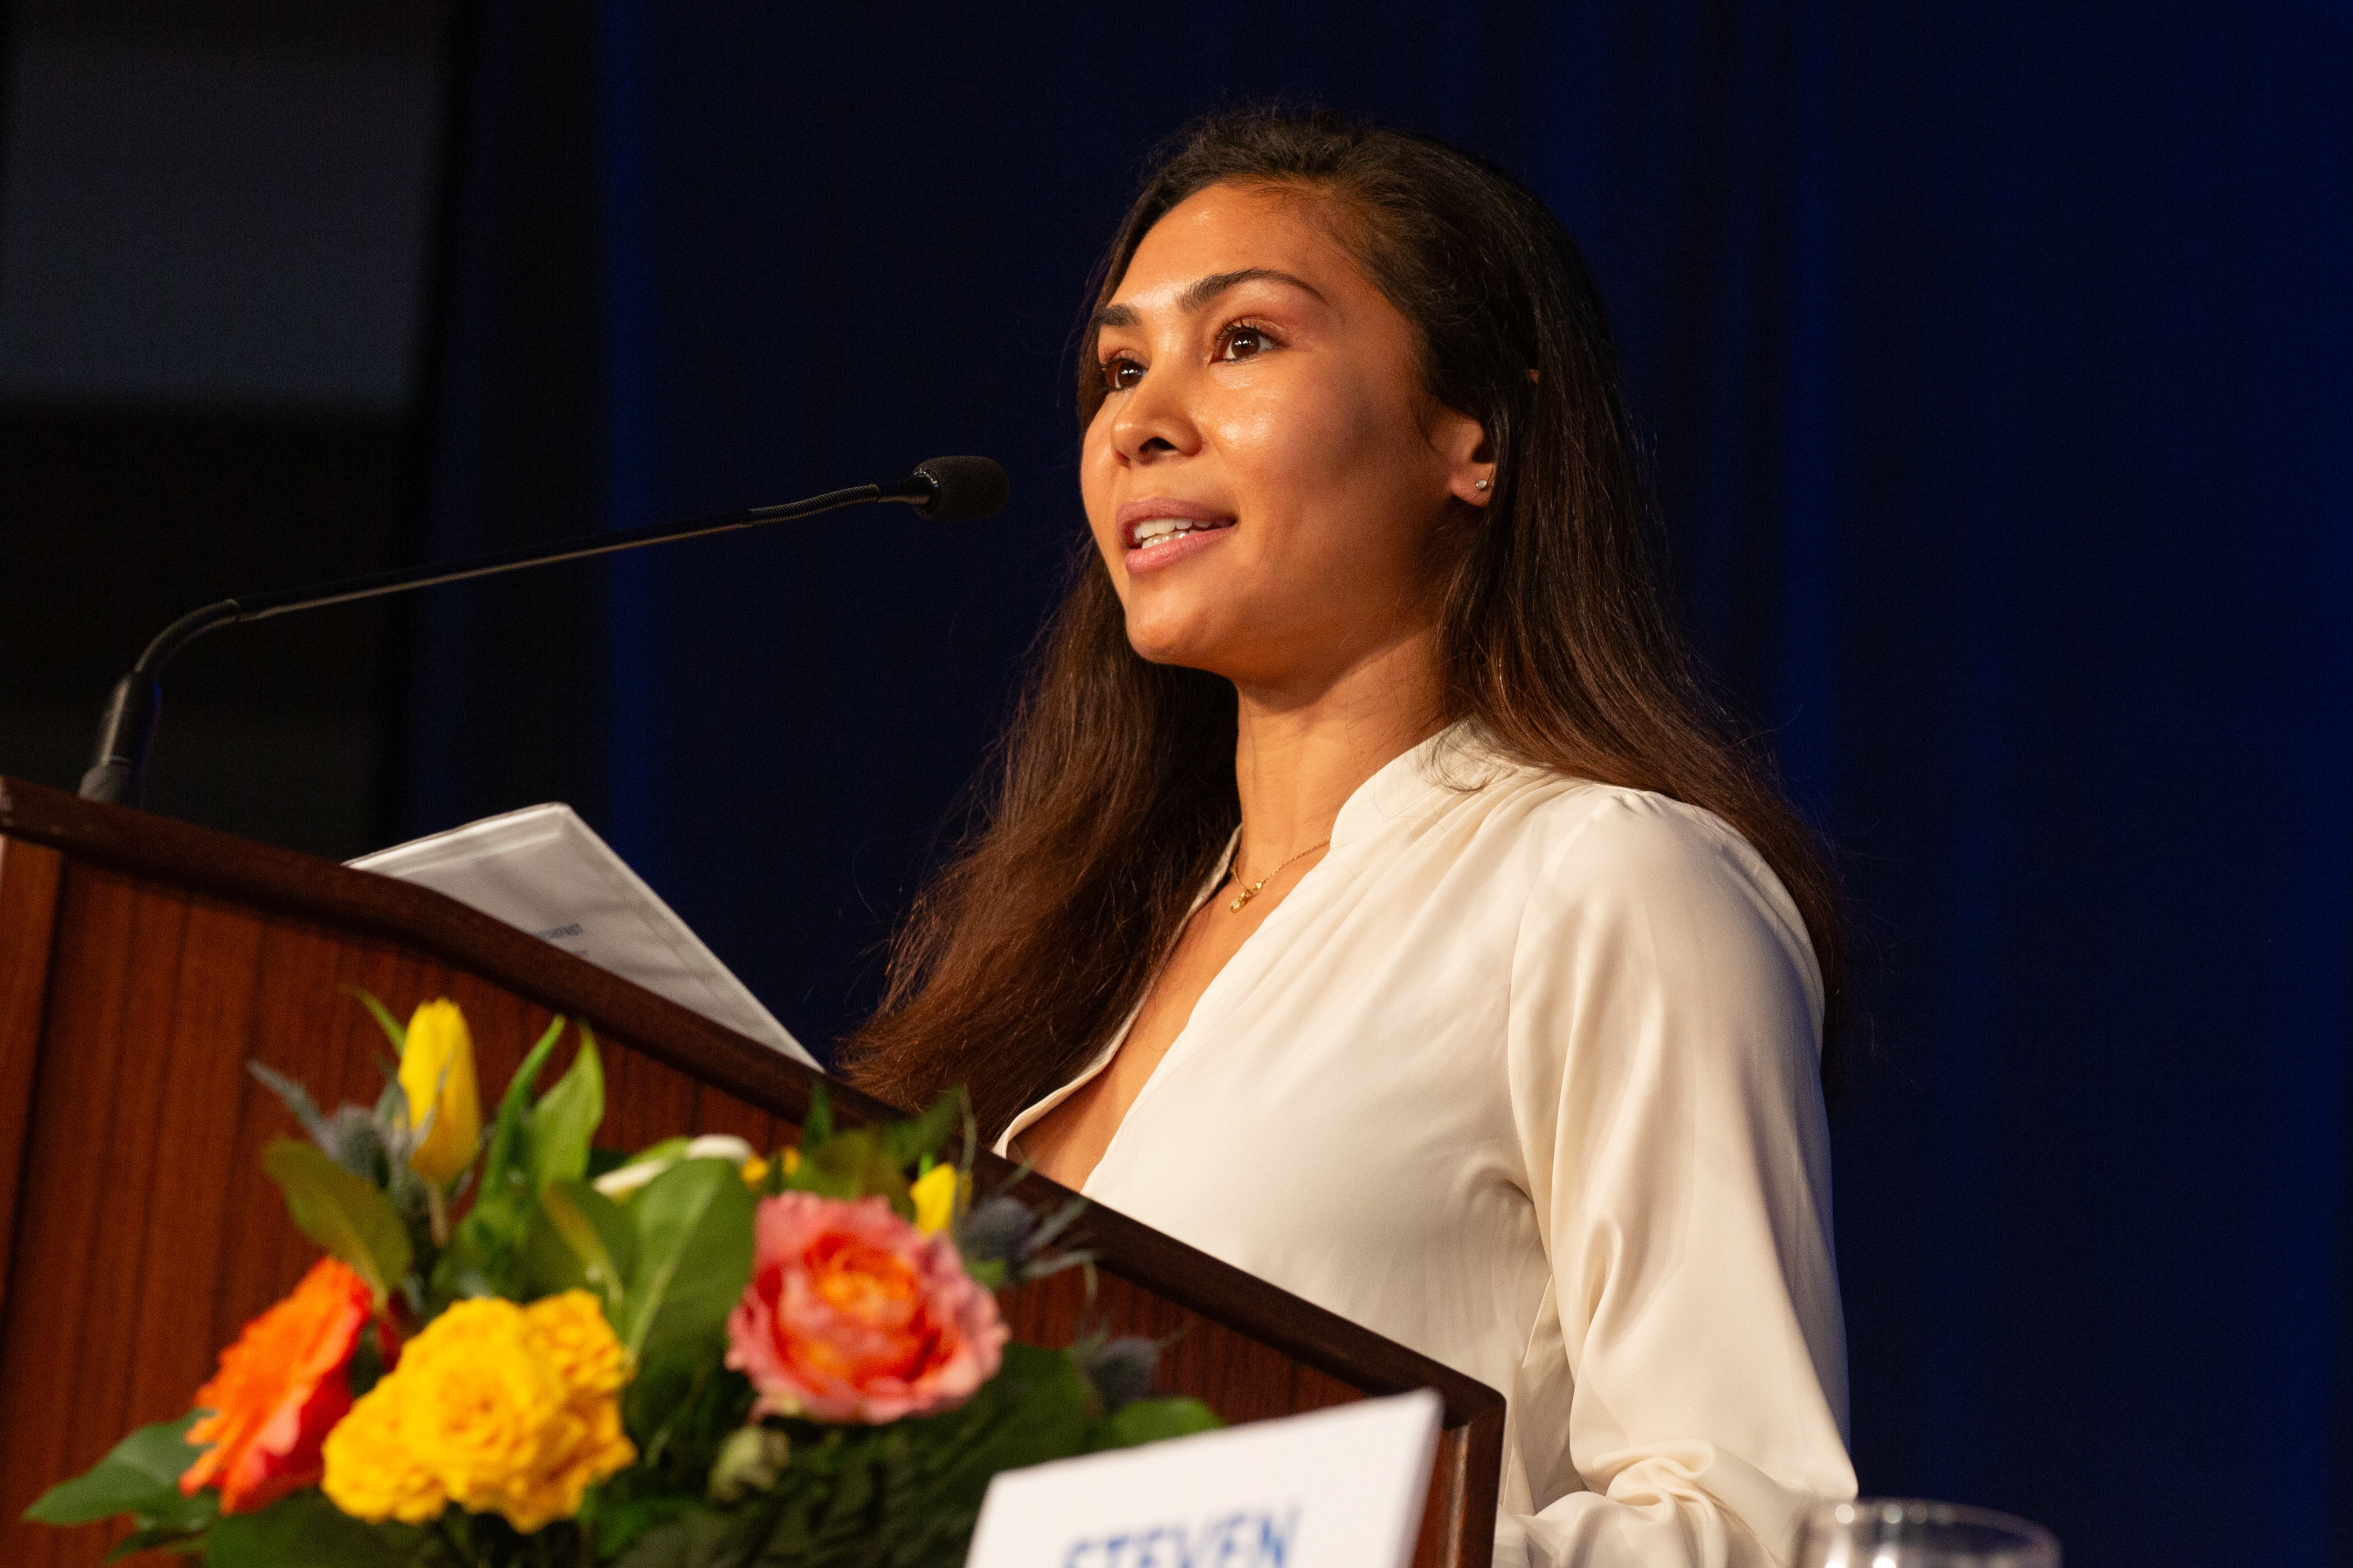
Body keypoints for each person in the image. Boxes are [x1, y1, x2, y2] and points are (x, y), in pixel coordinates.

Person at [841, 109, 1856, 1567]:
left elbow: (1758, 1525)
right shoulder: (1092, 940)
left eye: (1243, 343)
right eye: (1119, 369)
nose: (1138, 419)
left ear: (1475, 438)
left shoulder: (1610, 881)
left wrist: (1286, 1543)